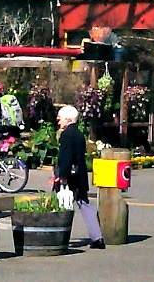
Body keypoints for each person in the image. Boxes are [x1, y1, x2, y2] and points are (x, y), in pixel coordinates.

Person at [55, 105, 105, 250]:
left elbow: (65, 157)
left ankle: (59, 236)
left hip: (70, 176)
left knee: (62, 205)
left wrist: (61, 175)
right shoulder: (79, 134)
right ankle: (97, 237)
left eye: (60, 118)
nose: (58, 121)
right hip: (80, 175)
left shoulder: (66, 135)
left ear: (68, 119)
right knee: (85, 204)